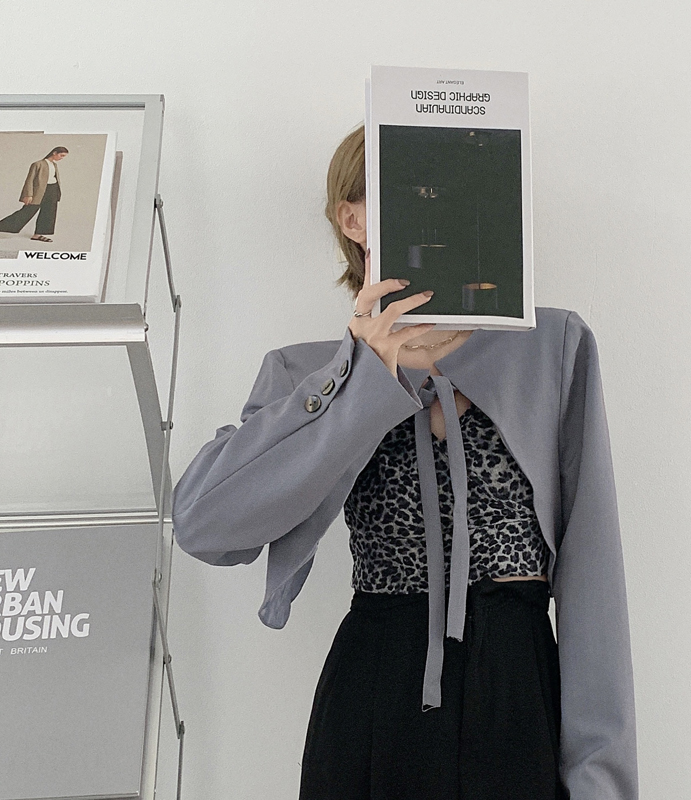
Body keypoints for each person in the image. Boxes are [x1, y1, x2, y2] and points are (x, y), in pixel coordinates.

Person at [172, 125, 638, 800]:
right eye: (415, 189)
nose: (439, 205)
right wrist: (356, 378)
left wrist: (601, 782)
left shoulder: (552, 349)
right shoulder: (308, 375)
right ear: (353, 219)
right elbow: (203, 526)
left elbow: (595, 584)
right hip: (372, 702)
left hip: (520, 698)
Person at [0, 146, 68, 243]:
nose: (62, 158)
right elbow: (30, 180)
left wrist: (57, 192)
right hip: (39, 191)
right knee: (27, 212)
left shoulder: (54, 165)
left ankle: (38, 235)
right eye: (61, 155)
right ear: (54, 153)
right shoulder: (37, 164)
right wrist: (28, 194)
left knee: (49, 212)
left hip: (52, 189)